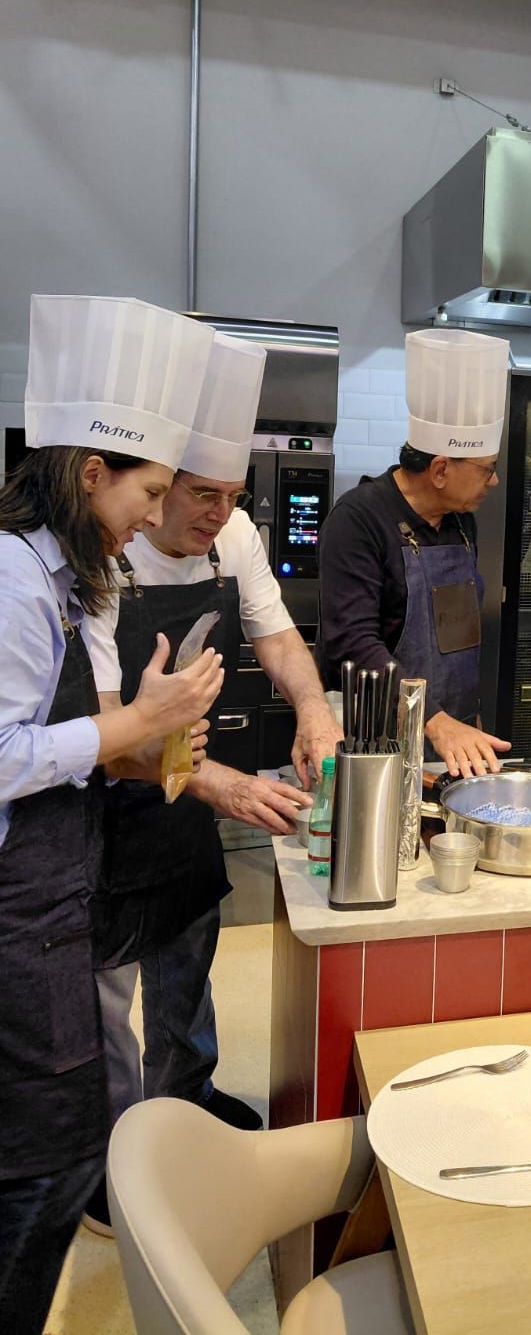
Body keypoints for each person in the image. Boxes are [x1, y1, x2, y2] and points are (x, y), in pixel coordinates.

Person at [81, 333, 343, 1232]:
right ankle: (116, 1167)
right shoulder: (102, 553)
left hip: (181, 796)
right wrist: (219, 783)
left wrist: (313, 709)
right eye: (197, 495)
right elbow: (111, 732)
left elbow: (278, 642)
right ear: (153, 482)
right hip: (101, 809)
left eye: (232, 498)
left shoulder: (232, 534)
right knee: (107, 1000)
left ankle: (187, 1116)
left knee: (188, 968)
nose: (218, 516)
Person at [0, 295, 224, 1335]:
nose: (154, 513)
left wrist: (161, 746)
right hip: (17, 916)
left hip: (60, 898)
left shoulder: (75, 575)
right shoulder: (10, 574)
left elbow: (83, 740)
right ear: (92, 474)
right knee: (44, 1168)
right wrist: (140, 717)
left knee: (68, 1145)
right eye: (150, 490)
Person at [319, 328, 512, 775]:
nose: (494, 481)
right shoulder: (358, 520)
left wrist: (465, 718)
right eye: (487, 470)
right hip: (378, 741)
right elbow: (352, 643)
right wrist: (433, 720)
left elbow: (456, 635)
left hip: (451, 739)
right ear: (441, 469)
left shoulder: (462, 519)